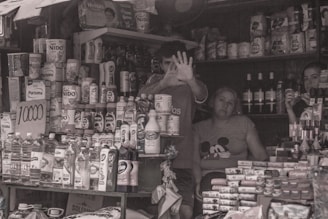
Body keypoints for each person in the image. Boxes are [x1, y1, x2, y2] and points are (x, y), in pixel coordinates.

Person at [139, 40, 208, 219]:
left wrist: (190, 79)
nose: (171, 67)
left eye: (175, 62)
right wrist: (163, 83)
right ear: (160, 64)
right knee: (158, 211)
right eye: (167, 63)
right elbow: (139, 99)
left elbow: (202, 96)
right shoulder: (155, 81)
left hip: (183, 159)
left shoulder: (191, 82)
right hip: (154, 159)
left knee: (184, 211)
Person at [193, 87, 268, 213]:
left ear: (234, 107)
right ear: (212, 102)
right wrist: (197, 181)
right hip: (209, 178)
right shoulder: (198, 128)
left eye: (230, 103)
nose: (225, 105)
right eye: (221, 100)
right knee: (209, 190)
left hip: (237, 177)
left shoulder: (244, 123)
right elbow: (194, 160)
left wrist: (250, 175)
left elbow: (260, 155)